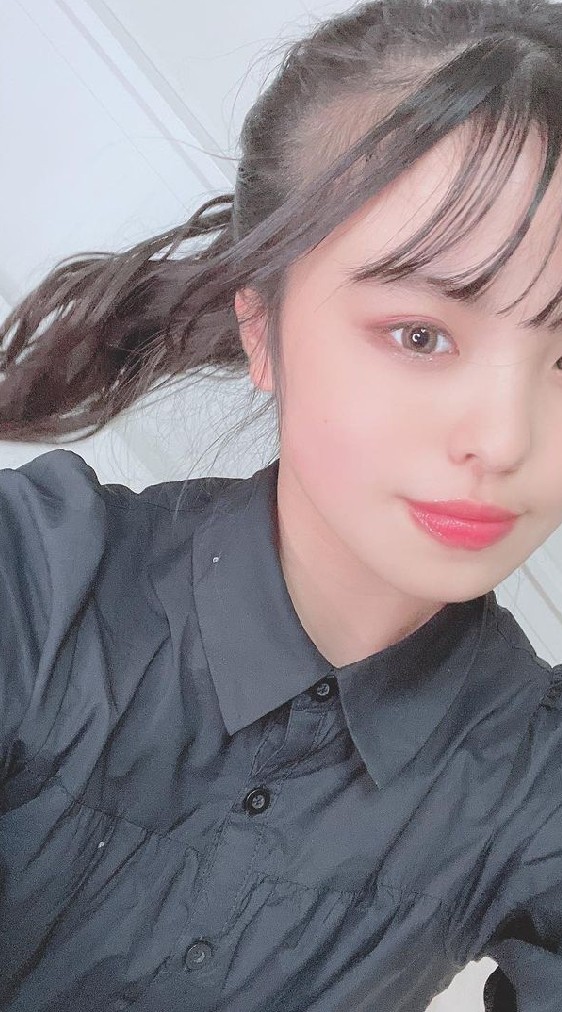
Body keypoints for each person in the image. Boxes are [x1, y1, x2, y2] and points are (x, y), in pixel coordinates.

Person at [1, 0, 562, 1009]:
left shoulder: (533, 775)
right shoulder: (41, 580)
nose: (507, 440)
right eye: (421, 335)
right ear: (262, 329)